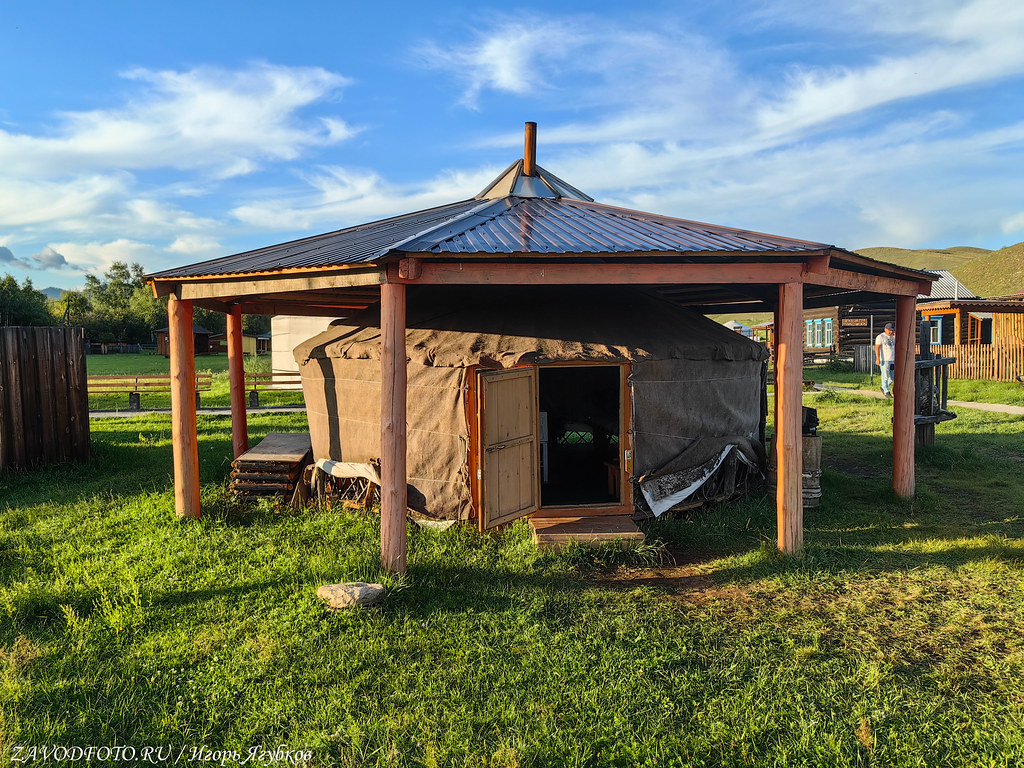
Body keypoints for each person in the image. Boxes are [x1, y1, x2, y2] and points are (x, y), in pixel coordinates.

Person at [874, 322, 896, 398]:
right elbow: (877, 347)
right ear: (885, 329)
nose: (891, 332)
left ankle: (883, 387)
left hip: (892, 359)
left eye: (892, 330)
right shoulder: (881, 337)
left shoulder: (893, 337)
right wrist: (878, 358)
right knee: (885, 375)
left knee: (893, 378)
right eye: (890, 330)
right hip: (885, 359)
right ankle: (886, 391)